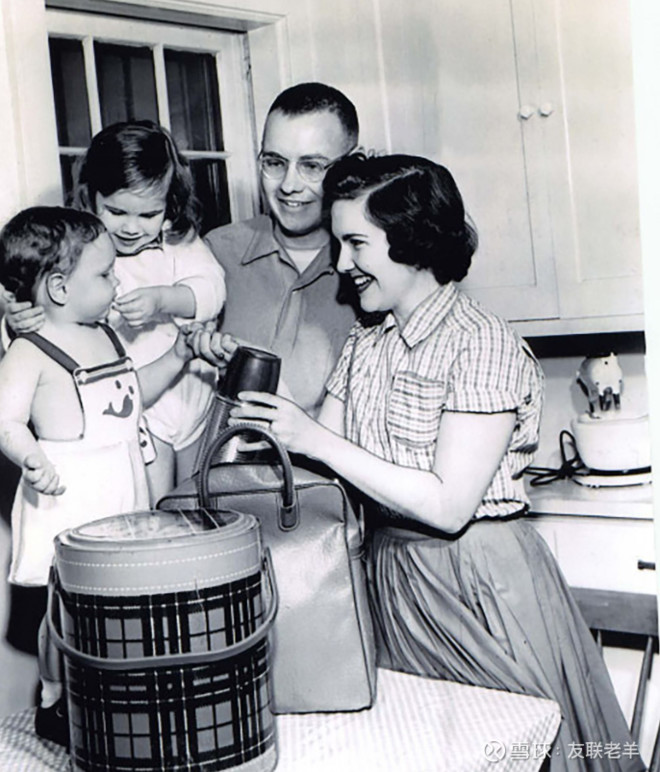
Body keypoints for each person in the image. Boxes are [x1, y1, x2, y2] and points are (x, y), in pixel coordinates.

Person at [217, 154, 644, 772]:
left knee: (514, 751)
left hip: (476, 583)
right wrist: (272, 419)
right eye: (339, 244)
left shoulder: (481, 342)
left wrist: (313, 438)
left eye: (356, 243)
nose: (342, 264)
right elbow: (324, 459)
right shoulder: (367, 340)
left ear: (412, 240)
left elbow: (447, 506)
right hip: (388, 575)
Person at [0, 206, 197, 746]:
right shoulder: (30, 351)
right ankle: (56, 699)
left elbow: (130, 397)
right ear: (60, 288)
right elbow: (5, 419)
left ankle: (115, 693)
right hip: (70, 497)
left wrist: (177, 357)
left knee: (118, 604)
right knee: (65, 612)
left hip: (120, 489)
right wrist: (30, 457)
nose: (117, 282)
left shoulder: (106, 337)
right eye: (106, 274)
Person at [3, 121, 226, 502]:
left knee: (199, 496)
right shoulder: (80, 250)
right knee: (155, 502)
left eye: (148, 215)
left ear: (169, 204)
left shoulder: (178, 242)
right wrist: (17, 322)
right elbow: (44, 318)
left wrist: (164, 299)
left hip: (195, 393)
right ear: (91, 196)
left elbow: (212, 290)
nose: (131, 228)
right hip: (133, 405)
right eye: (117, 211)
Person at [202, 82, 360, 415]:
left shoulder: (370, 267)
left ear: (350, 166)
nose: (289, 185)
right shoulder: (216, 251)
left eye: (312, 166)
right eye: (275, 162)